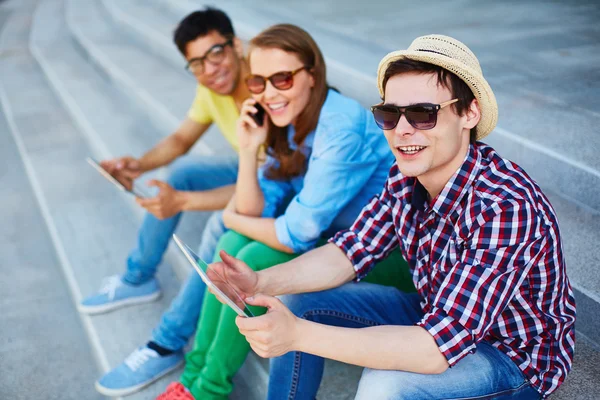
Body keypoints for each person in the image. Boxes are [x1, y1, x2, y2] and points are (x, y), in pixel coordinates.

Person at [207, 35, 577, 399]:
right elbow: (349, 252)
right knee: (296, 300)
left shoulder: (504, 206)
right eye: (390, 113)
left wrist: (297, 334)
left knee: (385, 383)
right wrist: (257, 283)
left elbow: (435, 349)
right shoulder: (405, 176)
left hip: (510, 356)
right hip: (433, 310)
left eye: (422, 113)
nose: (402, 130)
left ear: (469, 113)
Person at [155, 24, 412, 400]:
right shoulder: (287, 122)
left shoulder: (340, 127)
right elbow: (253, 207)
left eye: (282, 79)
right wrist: (247, 149)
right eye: (259, 82)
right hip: (336, 240)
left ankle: (207, 390)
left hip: (386, 254)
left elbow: (297, 233)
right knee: (232, 242)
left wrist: (230, 216)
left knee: (254, 253)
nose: (269, 93)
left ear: (312, 75)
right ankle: (193, 378)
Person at [86, 8, 251, 397]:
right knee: (180, 174)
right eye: (196, 63)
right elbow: (180, 141)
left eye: (215, 53)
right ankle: (137, 276)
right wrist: (137, 165)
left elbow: (265, 186)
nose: (210, 69)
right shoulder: (212, 86)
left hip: (276, 183)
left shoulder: (267, 86)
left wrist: (183, 203)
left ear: (236, 45)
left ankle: (166, 341)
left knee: (220, 227)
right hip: (251, 168)